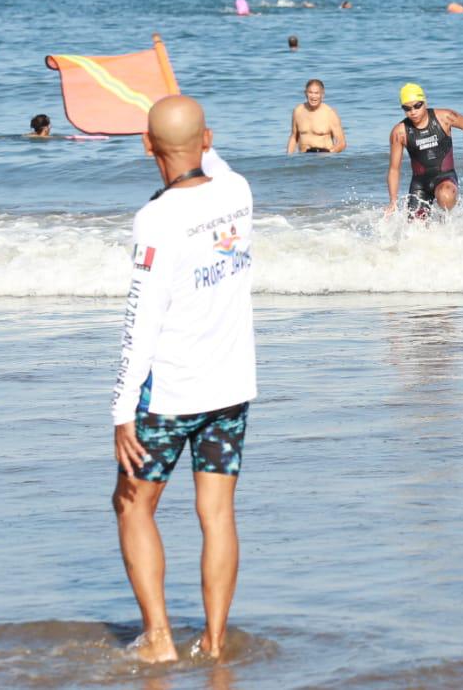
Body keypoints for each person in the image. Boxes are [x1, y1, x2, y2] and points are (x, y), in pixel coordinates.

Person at [111, 96, 257, 664]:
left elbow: (140, 321)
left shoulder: (156, 219)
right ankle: (216, 643)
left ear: (147, 146)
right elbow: (209, 157)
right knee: (217, 514)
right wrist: (197, 136)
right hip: (233, 386)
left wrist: (122, 407)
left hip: (170, 395)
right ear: (208, 138)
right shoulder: (239, 192)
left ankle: (160, 640)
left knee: (131, 505)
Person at [384, 83, 463, 216]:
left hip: (445, 179)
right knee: (415, 230)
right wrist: (393, 201)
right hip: (420, 185)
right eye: (407, 108)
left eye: (417, 105)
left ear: (425, 102)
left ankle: (446, 221)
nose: (413, 111)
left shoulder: (444, 117)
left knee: (445, 195)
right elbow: (394, 169)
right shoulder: (399, 132)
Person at [286, 79, 347, 154]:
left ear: (322, 94)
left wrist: (329, 154)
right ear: (305, 93)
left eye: (316, 93)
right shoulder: (298, 111)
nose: (313, 96)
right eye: (310, 92)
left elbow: (342, 143)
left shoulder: (330, 113)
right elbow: (294, 137)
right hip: (303, 158)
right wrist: (288, 158)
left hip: (323, 158)